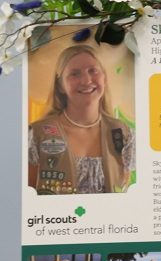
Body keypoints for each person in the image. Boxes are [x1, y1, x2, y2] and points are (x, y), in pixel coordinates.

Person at [28, 44, 134, 195]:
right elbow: (29, 196)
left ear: (105, 78)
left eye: (93, 71)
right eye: (75, 74)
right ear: (60, 86)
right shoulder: (36, 134)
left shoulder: (123, 134)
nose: (86, 80)